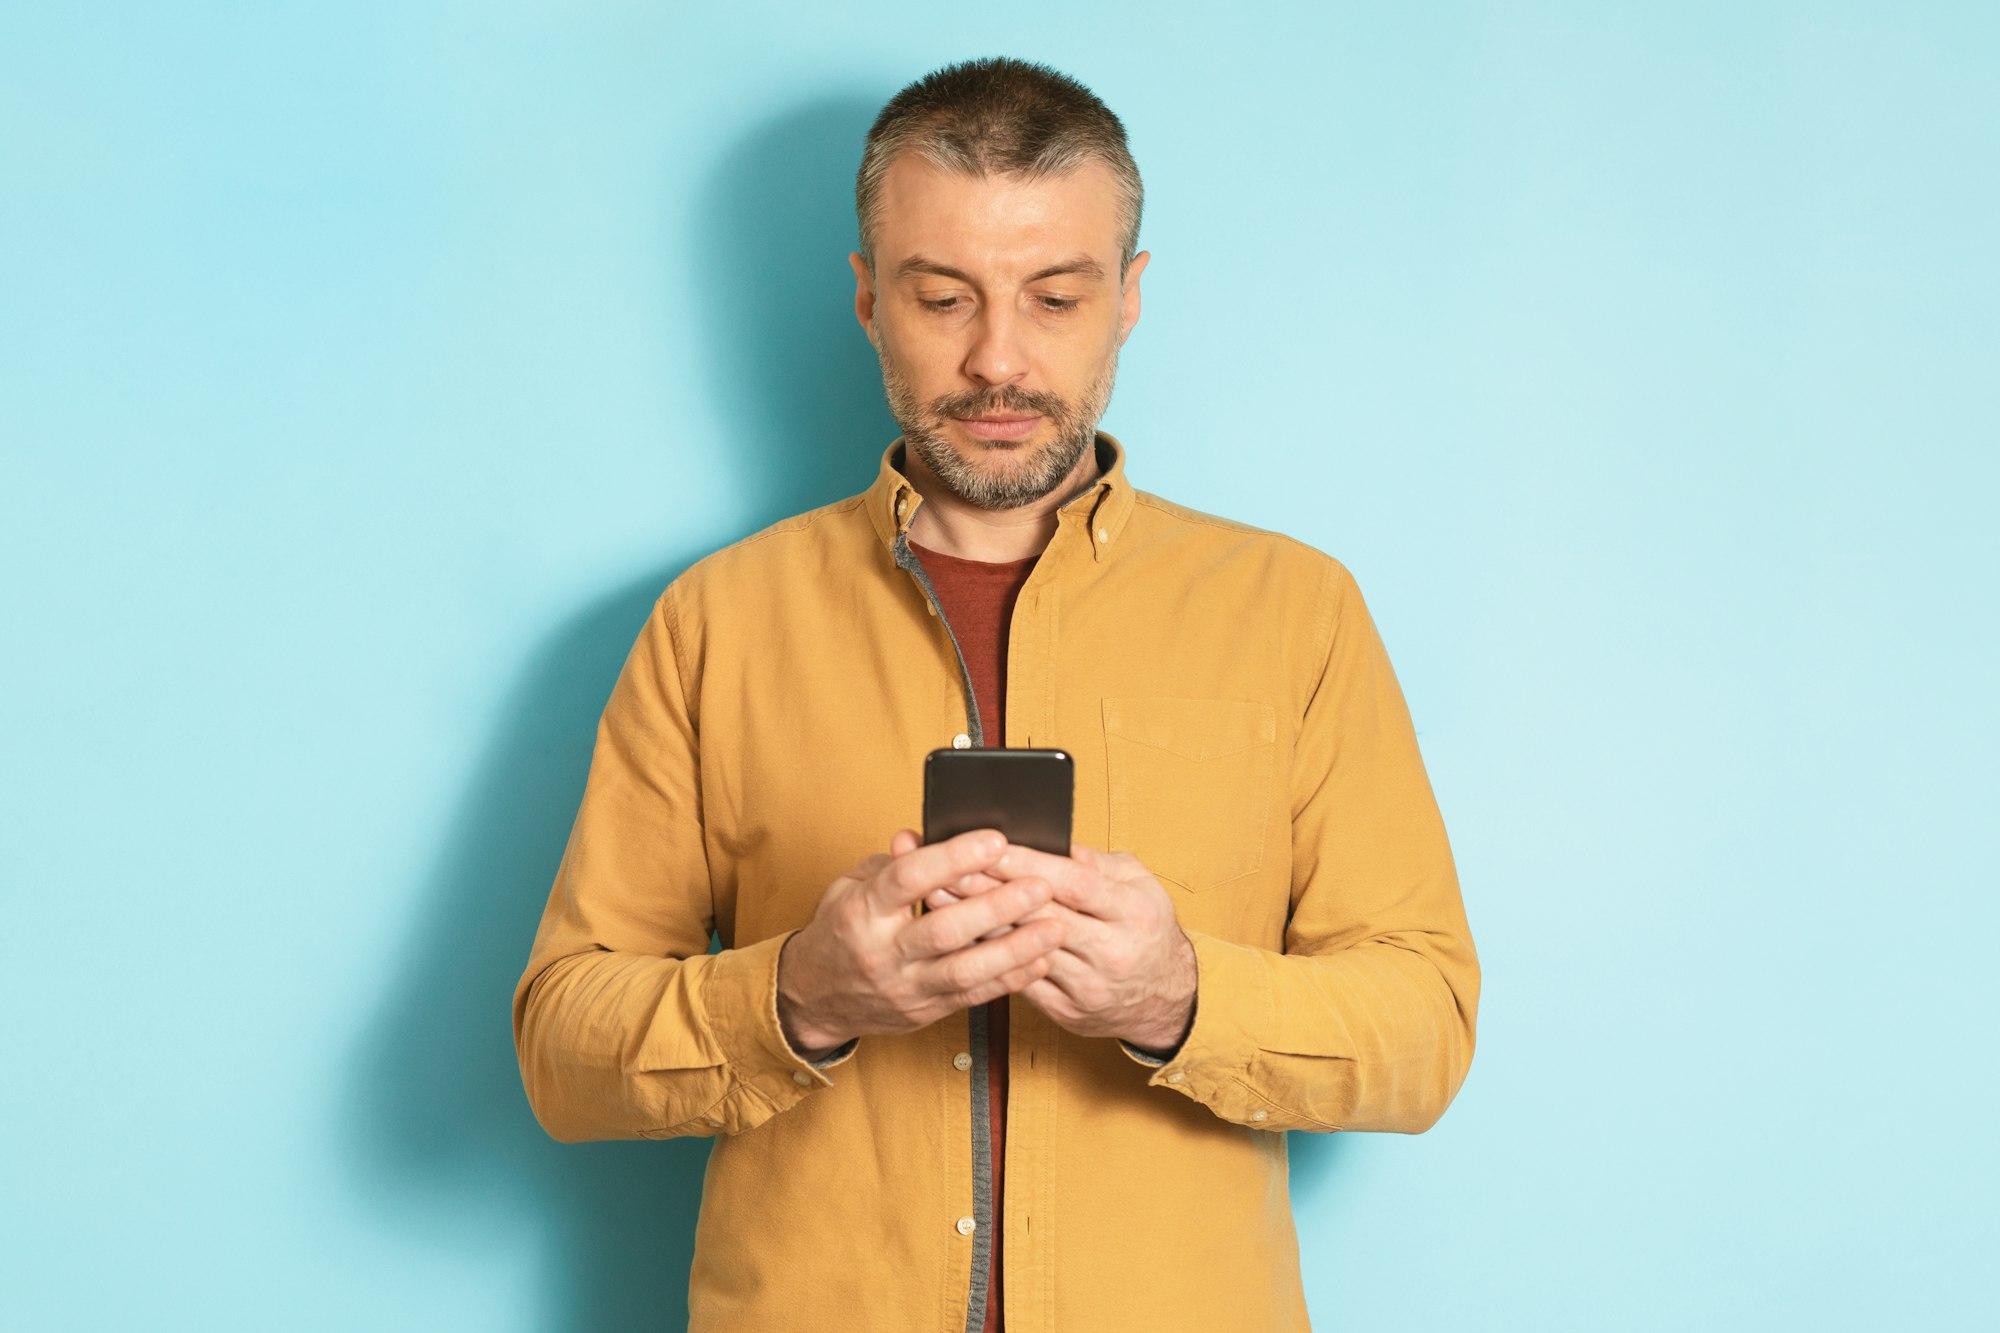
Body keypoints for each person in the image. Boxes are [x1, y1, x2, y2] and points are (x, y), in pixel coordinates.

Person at [511, 55, 1480, 1333]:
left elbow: (1423, 1029)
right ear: (866, 298)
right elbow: (563, 1051)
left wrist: (1180, 995)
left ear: (1129, 298)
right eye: (941, 296)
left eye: (1055, 296)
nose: (997, 360)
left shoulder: (1294, 613)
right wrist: (800, 993)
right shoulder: (715, 622)